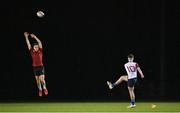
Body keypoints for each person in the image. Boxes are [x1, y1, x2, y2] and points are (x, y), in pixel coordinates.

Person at [24, 32, 48, 97]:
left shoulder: (40, 50)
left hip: (41, 66)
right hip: (35, 67)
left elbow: (40, 42)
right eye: (35, 47)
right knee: (37, 81)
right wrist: (26, 37)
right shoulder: (31, 51)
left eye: (37, 47)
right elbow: (28, 44)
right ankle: (40, 90)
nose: (36, 48)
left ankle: (44, 88)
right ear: (34, 47)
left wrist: (34, 36)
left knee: (42, 79)